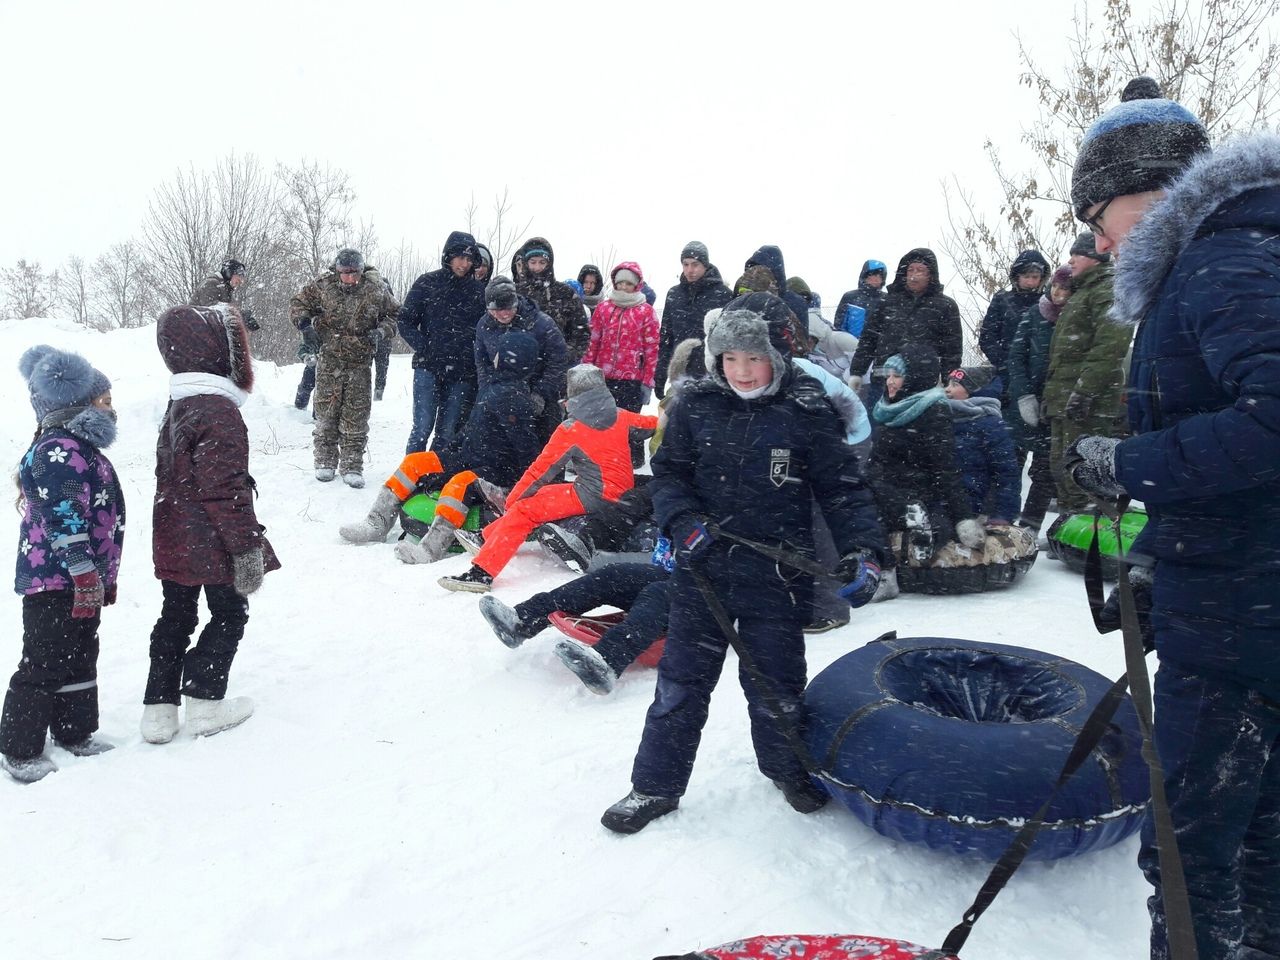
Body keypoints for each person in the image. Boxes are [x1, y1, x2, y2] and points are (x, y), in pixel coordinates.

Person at [1064, 80, 1280, 960]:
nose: (1095, 236)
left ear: (1136, 193)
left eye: (1094, 212)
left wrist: (1132, 463)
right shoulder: (1230, 257)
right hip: (1233, 599)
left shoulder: (1221, 262)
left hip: (1243, 622)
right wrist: (1160, 555)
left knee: (1191, 859)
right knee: (1259, 842)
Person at [601, 294, 886, 834]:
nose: (742, 371)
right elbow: (669, 476)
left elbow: (844, 490)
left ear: (777, 356)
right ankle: (655, 785)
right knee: (680, 685)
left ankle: (787, 770)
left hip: (776, 576)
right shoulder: (695, 404)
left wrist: (864, 552)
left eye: (753, 358)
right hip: (702, 572)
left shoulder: (806, 410)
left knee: (776, 686)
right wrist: (681, 520)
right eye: (730, 358)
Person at [140, 304, 279, 744]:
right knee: (230, 612)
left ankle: (158, 712)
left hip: (174, 533)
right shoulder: (218, 410)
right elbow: (225, 490)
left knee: (175, 615)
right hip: (211, 537)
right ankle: (203, 701)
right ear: (221, 352)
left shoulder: (179, 402)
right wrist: (245, 549)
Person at [1, 347, 122, 783]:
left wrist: (97, 577)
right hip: (55, 579)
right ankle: (19, 747)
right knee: (45, 660)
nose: (113, 410)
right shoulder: (60, 450)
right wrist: (84, 572)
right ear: (77, 404)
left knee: (79, 654)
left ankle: (74, 732)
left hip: (77, 578)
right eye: (104, 402)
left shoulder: (78, 448)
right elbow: (65, 516)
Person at [437, 364, 657, 594]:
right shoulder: (621, 416)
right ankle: (486, 538)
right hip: (621, 492)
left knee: (525, 509)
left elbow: (540, 473)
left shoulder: (570, 429)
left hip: (593, 495)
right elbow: (651, 424)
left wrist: (512, 501)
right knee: (542, 496)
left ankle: (481, 574)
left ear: (572, 392)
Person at [340, 331, 542, 561]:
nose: (494, 356)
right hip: (469, 456)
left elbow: (527, 448)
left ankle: (430, 549)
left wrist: (527, 487)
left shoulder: (516, 398)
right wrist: (447, 451)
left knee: (460, 484)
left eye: (499, 352)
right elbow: (472, 428)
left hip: (496, 471)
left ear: (511, 358)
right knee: (415, 462)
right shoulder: (492, 385)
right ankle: (377, 523)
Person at [865, 344, 986, 602]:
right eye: (889, 375)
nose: (889, 381)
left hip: (916, 489)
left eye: (896, 376)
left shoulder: (932, 410)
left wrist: (964, 517)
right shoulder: (889, 408)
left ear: (915, 377)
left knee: (870, 507)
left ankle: (887, 573)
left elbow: (946, 467)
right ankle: (918, 523)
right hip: (886, 487)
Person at [290, 248, 400, 486]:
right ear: (337, 271)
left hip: (360, 359)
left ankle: (352, 465)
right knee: (327, 412)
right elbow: (299, 302)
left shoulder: (375, 289)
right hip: (329, 357)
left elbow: (394, 314)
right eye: (345, 273)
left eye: (355, 273)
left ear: (361, 271)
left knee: (356, 413)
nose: (351, 278)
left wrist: (381, 332)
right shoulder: (323, 285)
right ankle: (325, 461)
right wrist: (304, 324)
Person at [478, 560, 671, 695]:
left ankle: (608, 661)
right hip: (683, 573)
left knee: (660, 593)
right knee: (613, 575)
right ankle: (522, 622)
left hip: (698, 598)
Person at [1042, 232, 1130, 515]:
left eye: (1076, 254)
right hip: (1065, 398)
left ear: (1094, 257)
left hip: (1087, 400)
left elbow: (1110, 345)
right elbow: (1064, 355)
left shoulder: (1106, 289)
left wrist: (1084, 391)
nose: (1070, 260)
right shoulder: (1083, 293)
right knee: (1062, 461)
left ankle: (1094, 522)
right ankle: (1072, 522)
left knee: (1083, 464)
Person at [397, 231, 486, 454]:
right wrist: (425, 347)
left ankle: (435, 479)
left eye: (468, 259)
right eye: (459, 257)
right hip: (428, 368)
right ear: (448, 256)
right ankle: (410, 478)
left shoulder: (479, 292)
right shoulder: (427, 283)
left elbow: (486, 331)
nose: (463, 264)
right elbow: (405, 320)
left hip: (462, 373)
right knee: (421, 428)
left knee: (447, 433)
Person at [1006, 265, 1073, 533]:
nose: (1058, 292)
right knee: (1010, 465)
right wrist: (1023, 395)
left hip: (1057, 405)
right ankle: (1003, 519)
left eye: (1066, 288)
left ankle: (1031, 526)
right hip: (1024, 403)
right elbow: (1016, 356)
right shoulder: (1036, 313)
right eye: (1056, 286)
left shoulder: (1077, 317)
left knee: (1046, 470)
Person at [849, 248, 963, 406]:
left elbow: (952, 350)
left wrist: (949, 381)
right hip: (883, 379)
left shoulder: (945, 306)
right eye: (910, 270)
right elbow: (868, 340)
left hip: (922, 383)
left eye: (920, 270)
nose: (914, 275)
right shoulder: (886, 303)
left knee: (920, 426)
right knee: (878, 425)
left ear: (931, 275)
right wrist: (857, 372)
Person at [581, 261, 661, 467]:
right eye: (620, 283)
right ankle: (601, 462)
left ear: (637, 285)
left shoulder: (646, 312)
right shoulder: (603, 309)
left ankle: (630, 464)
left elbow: (652, 350)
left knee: (628, 425)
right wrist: (586, 371)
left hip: (631, 380)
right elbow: (593, 342)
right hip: (603, 377)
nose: (624, 287)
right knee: (602, 423)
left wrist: (648, 382)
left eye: (628, 283)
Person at [473, 276, 568, 444]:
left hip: (541, 398)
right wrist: (487, 393)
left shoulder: (542, 324)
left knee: (545, 451)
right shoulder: (484, 325)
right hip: (503, 398)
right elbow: (482, 363)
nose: (503, 313)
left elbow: (558, 361)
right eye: (496, 309)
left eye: (508, 307)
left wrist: (540, 394)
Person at [943, 366, 1021, 526]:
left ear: (974, 391)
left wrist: (1003, 513)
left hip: (978, 511)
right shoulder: (941, 418)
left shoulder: (990, 424)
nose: (947, 390)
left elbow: (1007, 473)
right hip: (945, 505)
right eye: (948, 384)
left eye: (955, 385)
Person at [655, 241, 733, 399]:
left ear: (705, 264)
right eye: (686, 264)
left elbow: (728, 340)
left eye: (695, 264)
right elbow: (666, 337)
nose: (690, 270)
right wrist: (660, 374)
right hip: (679, 372)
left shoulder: (723, 294)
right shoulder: (674, 294)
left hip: (711, 375)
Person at [977, 249, 1050, 403]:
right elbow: (987, 337)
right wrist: (1006, 364)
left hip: (1042, 373)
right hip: (1007, 375)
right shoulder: (1002, 300)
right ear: (1017, 277)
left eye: (1035, 277)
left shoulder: (1048, 303)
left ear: (1042, 278)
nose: (1030, 282)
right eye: (1026, 276)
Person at [515, 237, 591, 364]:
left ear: (549, 263)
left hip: (556, 369)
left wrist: (565, 356)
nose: (537, 267)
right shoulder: (516, 293)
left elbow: (581, 332)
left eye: (542, 262)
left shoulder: (565, 293)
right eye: (533, 262)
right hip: (521, 366)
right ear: (526, 263)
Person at [190, 257, 260, 331]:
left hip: (206, 329)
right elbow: (211, 307)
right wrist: (239, 315)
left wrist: (244, 318)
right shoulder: (211, 283)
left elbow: (229, 307)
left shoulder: (226, 290)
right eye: (238, 277)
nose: (241, 281)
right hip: (195, 327)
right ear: (229, 273)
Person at [833, 259, 888, 338]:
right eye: (874, 275)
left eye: (880, 276)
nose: (877, 279)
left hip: (875, 346)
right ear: (865, 276)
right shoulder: (850, 297)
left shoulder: (887, 299)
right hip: (849, 344)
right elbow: (839, 324)